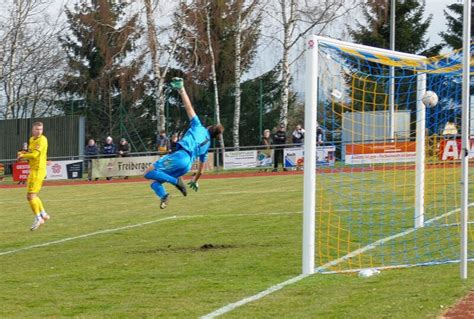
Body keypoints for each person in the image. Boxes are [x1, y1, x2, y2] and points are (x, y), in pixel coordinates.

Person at [144, 77, 224, 209]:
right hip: (186, 166)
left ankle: (176, 181)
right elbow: (201, 170)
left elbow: (188, 107)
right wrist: (195, 180)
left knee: (148, 172)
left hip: (180, 156)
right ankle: (164, 196)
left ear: (210, 127)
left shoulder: (198, 126)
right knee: (155, 184)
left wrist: (181, 90)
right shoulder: (207, 145)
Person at [17, 122, 50, 231]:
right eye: (37, 129)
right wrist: (23, 153)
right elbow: (30, 153)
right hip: (34, 169)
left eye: (40, 129)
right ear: (33, 130)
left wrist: (22, 156)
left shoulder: (42, 139)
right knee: (33, 195)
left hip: (37, 170)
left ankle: (38, 218)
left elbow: (35, 155)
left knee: (30, 196)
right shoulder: (31, 140)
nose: (39, 131)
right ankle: (43, 214)